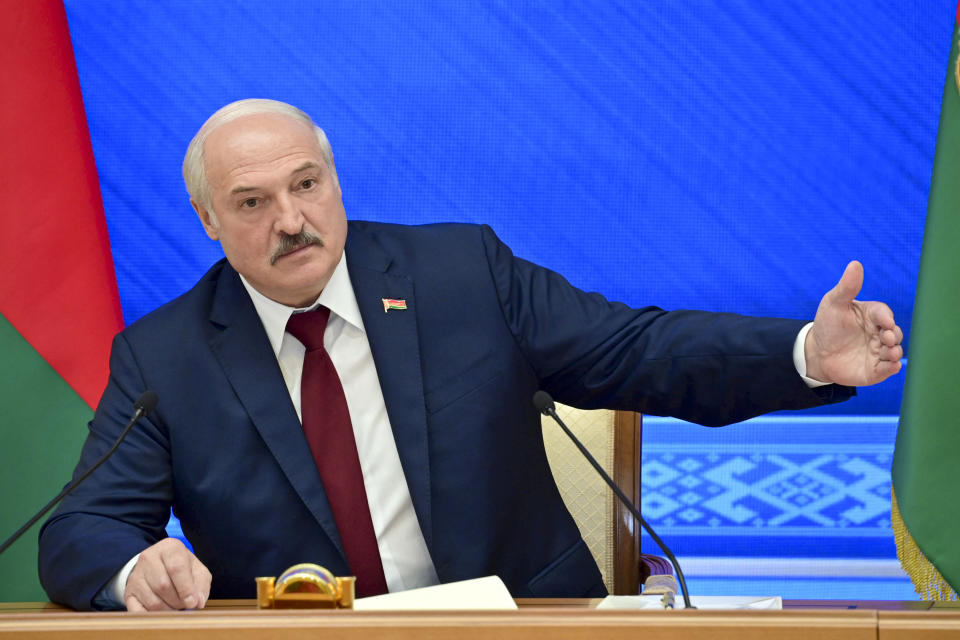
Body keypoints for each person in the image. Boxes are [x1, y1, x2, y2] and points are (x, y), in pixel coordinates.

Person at [37, 99, 903, 611]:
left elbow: (638, 349)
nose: (292, 220)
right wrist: (132, 568)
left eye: (307, 185)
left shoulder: (460, 275)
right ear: (207, 223)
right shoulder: (167, 357)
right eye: (252, 201)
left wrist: (805, 354)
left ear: (335, 181)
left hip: (517, 626)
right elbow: (80, 530)